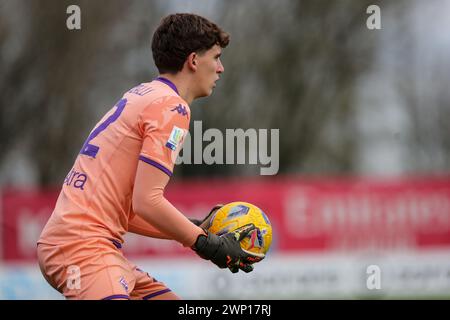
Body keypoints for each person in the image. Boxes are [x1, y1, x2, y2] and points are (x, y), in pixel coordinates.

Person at [37, 13, 262, 300]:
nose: (221, 68)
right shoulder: (172, 107)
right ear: (193, 61)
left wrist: (194, 227)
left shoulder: (143, 95)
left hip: (79, 243)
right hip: (85, 248)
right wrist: (206, 244)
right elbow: (148, 201)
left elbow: (132, 209)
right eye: (216, 57)